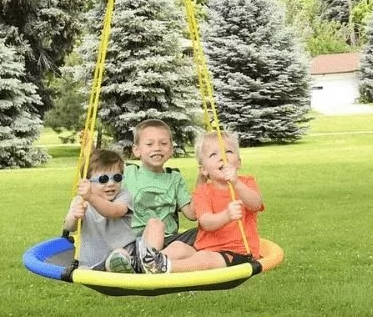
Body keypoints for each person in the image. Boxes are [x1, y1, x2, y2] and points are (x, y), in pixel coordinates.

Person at [105, 118, 221, 275]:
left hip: (169, 242)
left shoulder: (174, 178)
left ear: (171, 149)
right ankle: (142, 261)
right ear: (136, 150)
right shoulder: (128, 172)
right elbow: (100, 175)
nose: (157, 148)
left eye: (163, 144)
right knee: (155, 224)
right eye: (149, 144)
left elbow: (192, 214)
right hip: (134, 240)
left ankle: (147, 264)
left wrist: (202, 178)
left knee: (188, 244)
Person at [191, 130, 264, 267]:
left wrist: (236, 183)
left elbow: (256, 204)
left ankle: (164, 267)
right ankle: (151, 261)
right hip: (205, 249)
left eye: (228, 152)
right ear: (204, 170)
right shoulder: (202, 191)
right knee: (178, 247)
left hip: (238, 252)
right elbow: (206, 222)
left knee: (204, 258)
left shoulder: (246, 183)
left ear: (239, 163)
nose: (222, 157)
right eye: (213, 154)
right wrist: (227, 215)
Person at [63, 149, 135, 271]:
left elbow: (113, 212)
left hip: (124, 256)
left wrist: (91, 197)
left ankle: (119, 266)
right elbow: (69, 227)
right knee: (82, 271)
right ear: (87, 182)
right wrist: (74, 217)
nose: (111, 183)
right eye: (103, 179)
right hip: (93, 261)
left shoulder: (124, 196)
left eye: (117, 178)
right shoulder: (80, 201)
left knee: (120, 254)